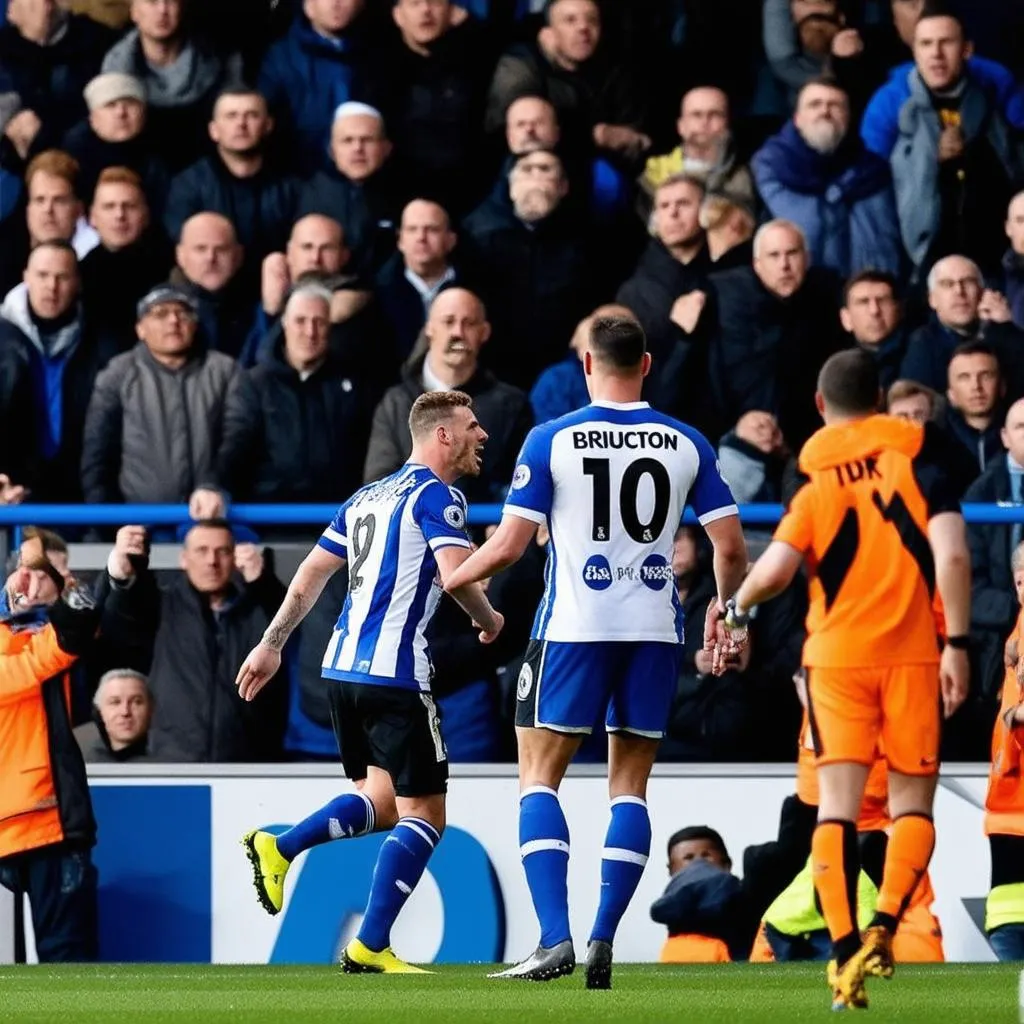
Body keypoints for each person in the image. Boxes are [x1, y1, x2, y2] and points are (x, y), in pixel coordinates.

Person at [442, 315, 747, 986]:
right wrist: (734, 620)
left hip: (575, 627)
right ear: (646, 365)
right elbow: (728, 547)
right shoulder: (687, 442)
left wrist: (450, 579)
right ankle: (605, 936)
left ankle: (556, 938)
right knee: (629, 788)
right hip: (655, 630)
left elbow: (510, 546)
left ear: (586, 364)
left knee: (538, 777)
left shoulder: (552, 438)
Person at [721, 347, 971, 1010]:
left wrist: (736, 611)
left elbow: (773, 570)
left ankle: (841, 950)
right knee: (911, 808)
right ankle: (886, 924)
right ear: (882, 400)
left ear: (822, 408)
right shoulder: (922, 458)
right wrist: (961, 644)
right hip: (913, 654)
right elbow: (950, 553)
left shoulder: (814, 482)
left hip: (833, 661)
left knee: (833, 811)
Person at [236, 390, 504, 973]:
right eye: (472, 426)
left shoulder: (365, 498)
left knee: (382, 803)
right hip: (397, 675)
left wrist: (271, 643)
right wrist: (492, 619)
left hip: (341, 671)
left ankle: (278, 847)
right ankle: (371, 944)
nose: (482, 435)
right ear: (442, 436)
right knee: (425, 816)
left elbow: (310, 572)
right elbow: (458, 577)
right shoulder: (441, 496)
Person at [0, 533, 100, 961]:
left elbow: (78, 626)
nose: (37, 584)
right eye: (29, 574)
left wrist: (69, 589)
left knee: (68, 967)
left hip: (49, 826)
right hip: (27, 824)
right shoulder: (36, 646)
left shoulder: (62, 638)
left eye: (53, 575)